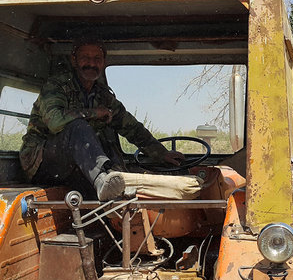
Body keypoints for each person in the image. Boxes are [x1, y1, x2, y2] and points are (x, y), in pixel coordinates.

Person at [20, 38, 184, 200]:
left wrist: (161, 153)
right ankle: (102, 180)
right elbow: (55, 122)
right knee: (78, 127)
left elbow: (131, 127)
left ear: (104, 62)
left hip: (77, 167)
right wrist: (93, 113)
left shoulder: (103, 95)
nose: (91, 63)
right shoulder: (56, 86)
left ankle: (117, 183)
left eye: (97, 59)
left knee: (104, 135)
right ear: (74, 60)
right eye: (85, 58)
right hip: (41, 163)